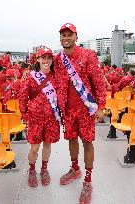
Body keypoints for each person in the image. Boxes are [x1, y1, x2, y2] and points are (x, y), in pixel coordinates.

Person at [54, 23, 106, 204]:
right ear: (60, 38)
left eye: (69, 34)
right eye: (63, 35)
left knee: (87, 142)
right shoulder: (57, 59)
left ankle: (88, 180)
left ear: (76, 36)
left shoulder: (88, 55)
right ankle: (75, 169)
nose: (66, 38)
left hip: (86, 109)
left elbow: (99, 82)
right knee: (71, 139)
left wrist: (100, 107)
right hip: (67, 109)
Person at [19, 47, 61, 187]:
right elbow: (23, 97)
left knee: (47, 145)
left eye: (49, 58)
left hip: (51, 118)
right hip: (35, 118)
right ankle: (32, 170)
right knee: (34, 148)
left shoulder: (57, 76)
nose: (46, 61)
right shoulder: (31, 76)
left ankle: (44, 169)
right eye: (43, 57)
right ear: (38, 59)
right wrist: (24, 114)